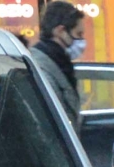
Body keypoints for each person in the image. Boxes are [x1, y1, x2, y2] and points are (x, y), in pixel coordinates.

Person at [28, 1, 84, 131]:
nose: (81, 41)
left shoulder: (58, 63)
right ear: (60, 31)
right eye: (78, 34)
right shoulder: (43, 68)